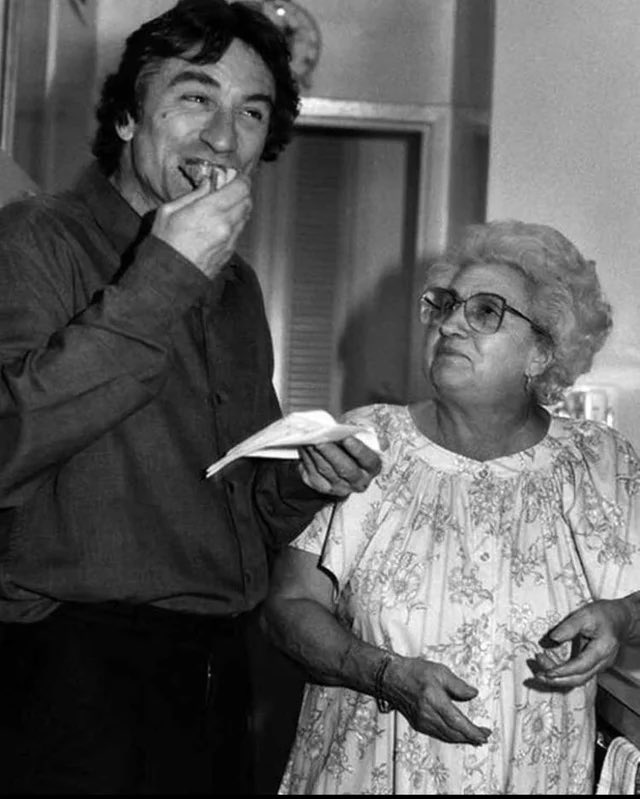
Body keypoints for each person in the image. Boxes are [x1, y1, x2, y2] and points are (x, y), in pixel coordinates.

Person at [0, 0, 381, 794]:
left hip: (216, 673)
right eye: (195, 97)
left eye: (251, 113)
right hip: (69, 676)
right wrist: (169, 270)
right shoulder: (34, 239)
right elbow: (12, 440)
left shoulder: (236, 285)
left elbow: (231, 501)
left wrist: (299, 479)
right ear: (131, 118)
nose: (222, 137)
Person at [261, 219, 640, 795]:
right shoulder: (366, 443)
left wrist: (622, 618)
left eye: (486, 311)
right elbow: (287, 607)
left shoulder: (599, 462)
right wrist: (386, 675)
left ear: (542, 352)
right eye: (443, 305)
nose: (451, 323)